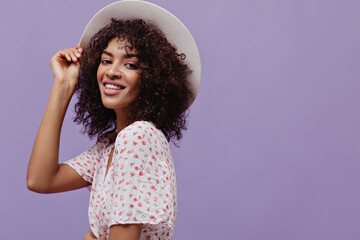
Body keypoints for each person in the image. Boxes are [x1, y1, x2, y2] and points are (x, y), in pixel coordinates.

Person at [26, 1, 200, 240]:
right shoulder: (110, 145)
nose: (112, 71)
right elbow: (40, 180)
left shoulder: (138, 137)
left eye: (130, 64)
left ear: (153, 79)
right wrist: (63, 85)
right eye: (106, 60)